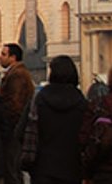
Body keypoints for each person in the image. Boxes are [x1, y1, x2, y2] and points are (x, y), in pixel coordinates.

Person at [22, 55, 85, 184]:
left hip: (43, 168)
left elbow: (24, 131)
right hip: (72, 168)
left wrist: (28, 160)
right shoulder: (81, 101)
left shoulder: (39, 99)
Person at [0, 42, 35, 184]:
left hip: (13, 128)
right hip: (14, 127)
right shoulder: (15, 73)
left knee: (12, 168)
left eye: (3, 54)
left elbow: (15, 103)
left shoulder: (17, 75)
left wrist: (6, 124)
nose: (0, 57)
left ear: (13, 57)